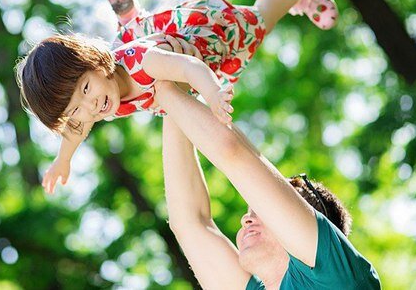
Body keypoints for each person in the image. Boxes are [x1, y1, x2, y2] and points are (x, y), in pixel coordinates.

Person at [16, 0, 338, 194]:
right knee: (133, 36)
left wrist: (213, 93)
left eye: (86, 89)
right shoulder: (95, 105)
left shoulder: (144, 63)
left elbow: (190, 66)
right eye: (75, 109)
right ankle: (130, 17)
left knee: (257, 22)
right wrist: (62, 161)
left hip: (199, 42)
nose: (91, 106)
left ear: (94, 62)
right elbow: (76, 130)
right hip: (145, 47)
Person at [154, 80, 381, 289]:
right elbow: (191, 221)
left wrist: (161, 84)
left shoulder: (336, 278)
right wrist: (172, 80)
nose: (246, 219)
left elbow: (232, 153)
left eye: (261, 210)